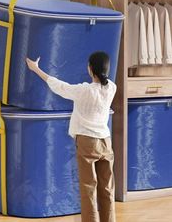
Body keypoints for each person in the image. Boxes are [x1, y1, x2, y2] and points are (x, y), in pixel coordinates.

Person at [26, 51, 117, 222]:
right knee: (107, 188)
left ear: (90, 69)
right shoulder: (111, 87)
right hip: (106, 142)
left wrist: (36, 69)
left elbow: (59, 86)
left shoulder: (84, 91)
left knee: (88, 188)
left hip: (87, 142)